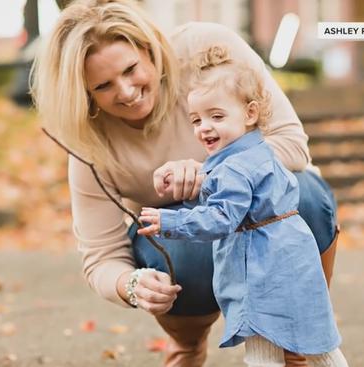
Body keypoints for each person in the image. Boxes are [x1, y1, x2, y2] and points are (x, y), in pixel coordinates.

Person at [30, 0, 340, 365]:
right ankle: (189, 342)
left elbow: (291, 144)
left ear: (148, 49)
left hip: (260, 211)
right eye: (104, 85)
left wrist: (206, 173)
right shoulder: (89, 143)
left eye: (131, 69)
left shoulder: (205, 50)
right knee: (175, 252)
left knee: (303, 196)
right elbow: (101, 258)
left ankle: (294, 340)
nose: (127, 91)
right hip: (185, 242)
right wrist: (131, 285)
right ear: (85, 93)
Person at [137, 45, 348, 367]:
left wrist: (170, 221)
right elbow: (234, 197)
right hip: (291, 255)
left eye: (216, 116)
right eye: (196, 119)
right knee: (315, 341)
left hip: (262, 267)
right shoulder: (258, 151)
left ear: (249, 113)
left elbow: (222, 217)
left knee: (263, 348)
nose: (204, 127)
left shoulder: (235, 166)